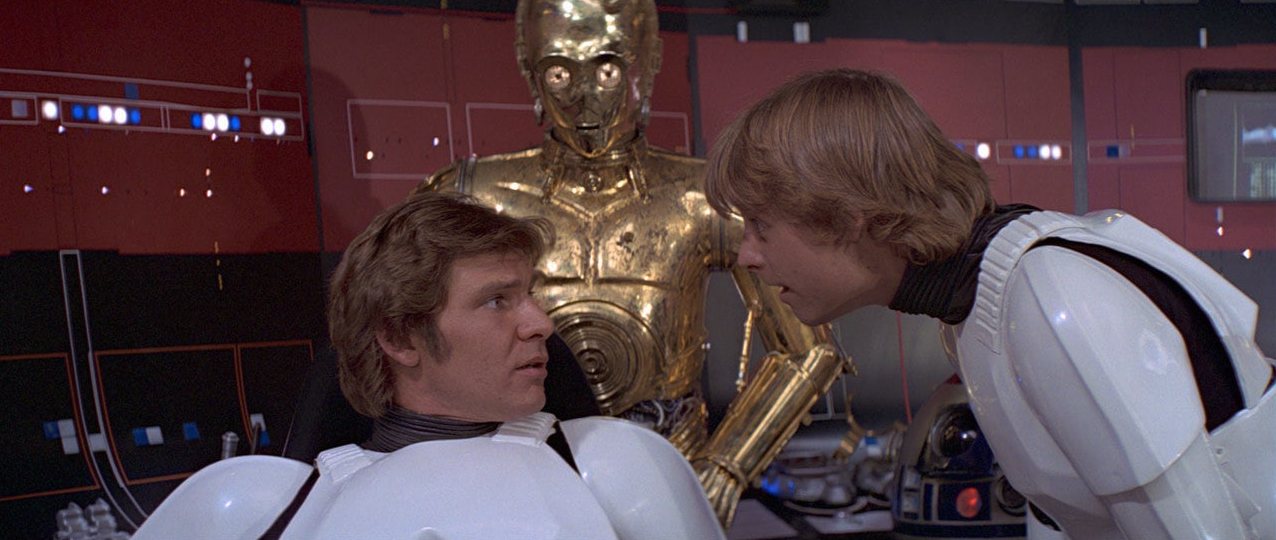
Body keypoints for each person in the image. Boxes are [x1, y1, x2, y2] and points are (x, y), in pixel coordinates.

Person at [704, 68, 1275, 540]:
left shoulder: (1049, 299)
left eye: (761, 227)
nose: (747, 255)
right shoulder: (986, 303)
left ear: (849, 216)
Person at [416, 0, 848, 526]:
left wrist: (726, 465)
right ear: (530, 71)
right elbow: (408, 342)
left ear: (649, 62)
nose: (582, 96)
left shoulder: (703, 198)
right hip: (517, 479)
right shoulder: (473, 197)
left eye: (607, 69)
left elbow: (807, 349)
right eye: (559, 72)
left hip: (669, 474)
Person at [131, 191, 725, 540]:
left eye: (529, 294)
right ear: (399, 337)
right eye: (497, 301)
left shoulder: (615, 467)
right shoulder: (252, 507)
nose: (541, 323)